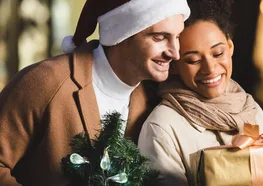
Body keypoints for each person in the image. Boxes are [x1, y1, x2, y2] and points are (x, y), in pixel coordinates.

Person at [137, 0, 263, 185]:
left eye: (218, 53)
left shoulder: (246, 107)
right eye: (193, 60)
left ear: (230, 47)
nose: (210, 69)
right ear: (175, 65)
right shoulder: (161, 127)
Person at [0, 0, 190, 185]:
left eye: (178, 37)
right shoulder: (45, 82)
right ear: (121, 34)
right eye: (159, 37)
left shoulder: (152, 98)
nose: (175, 53)